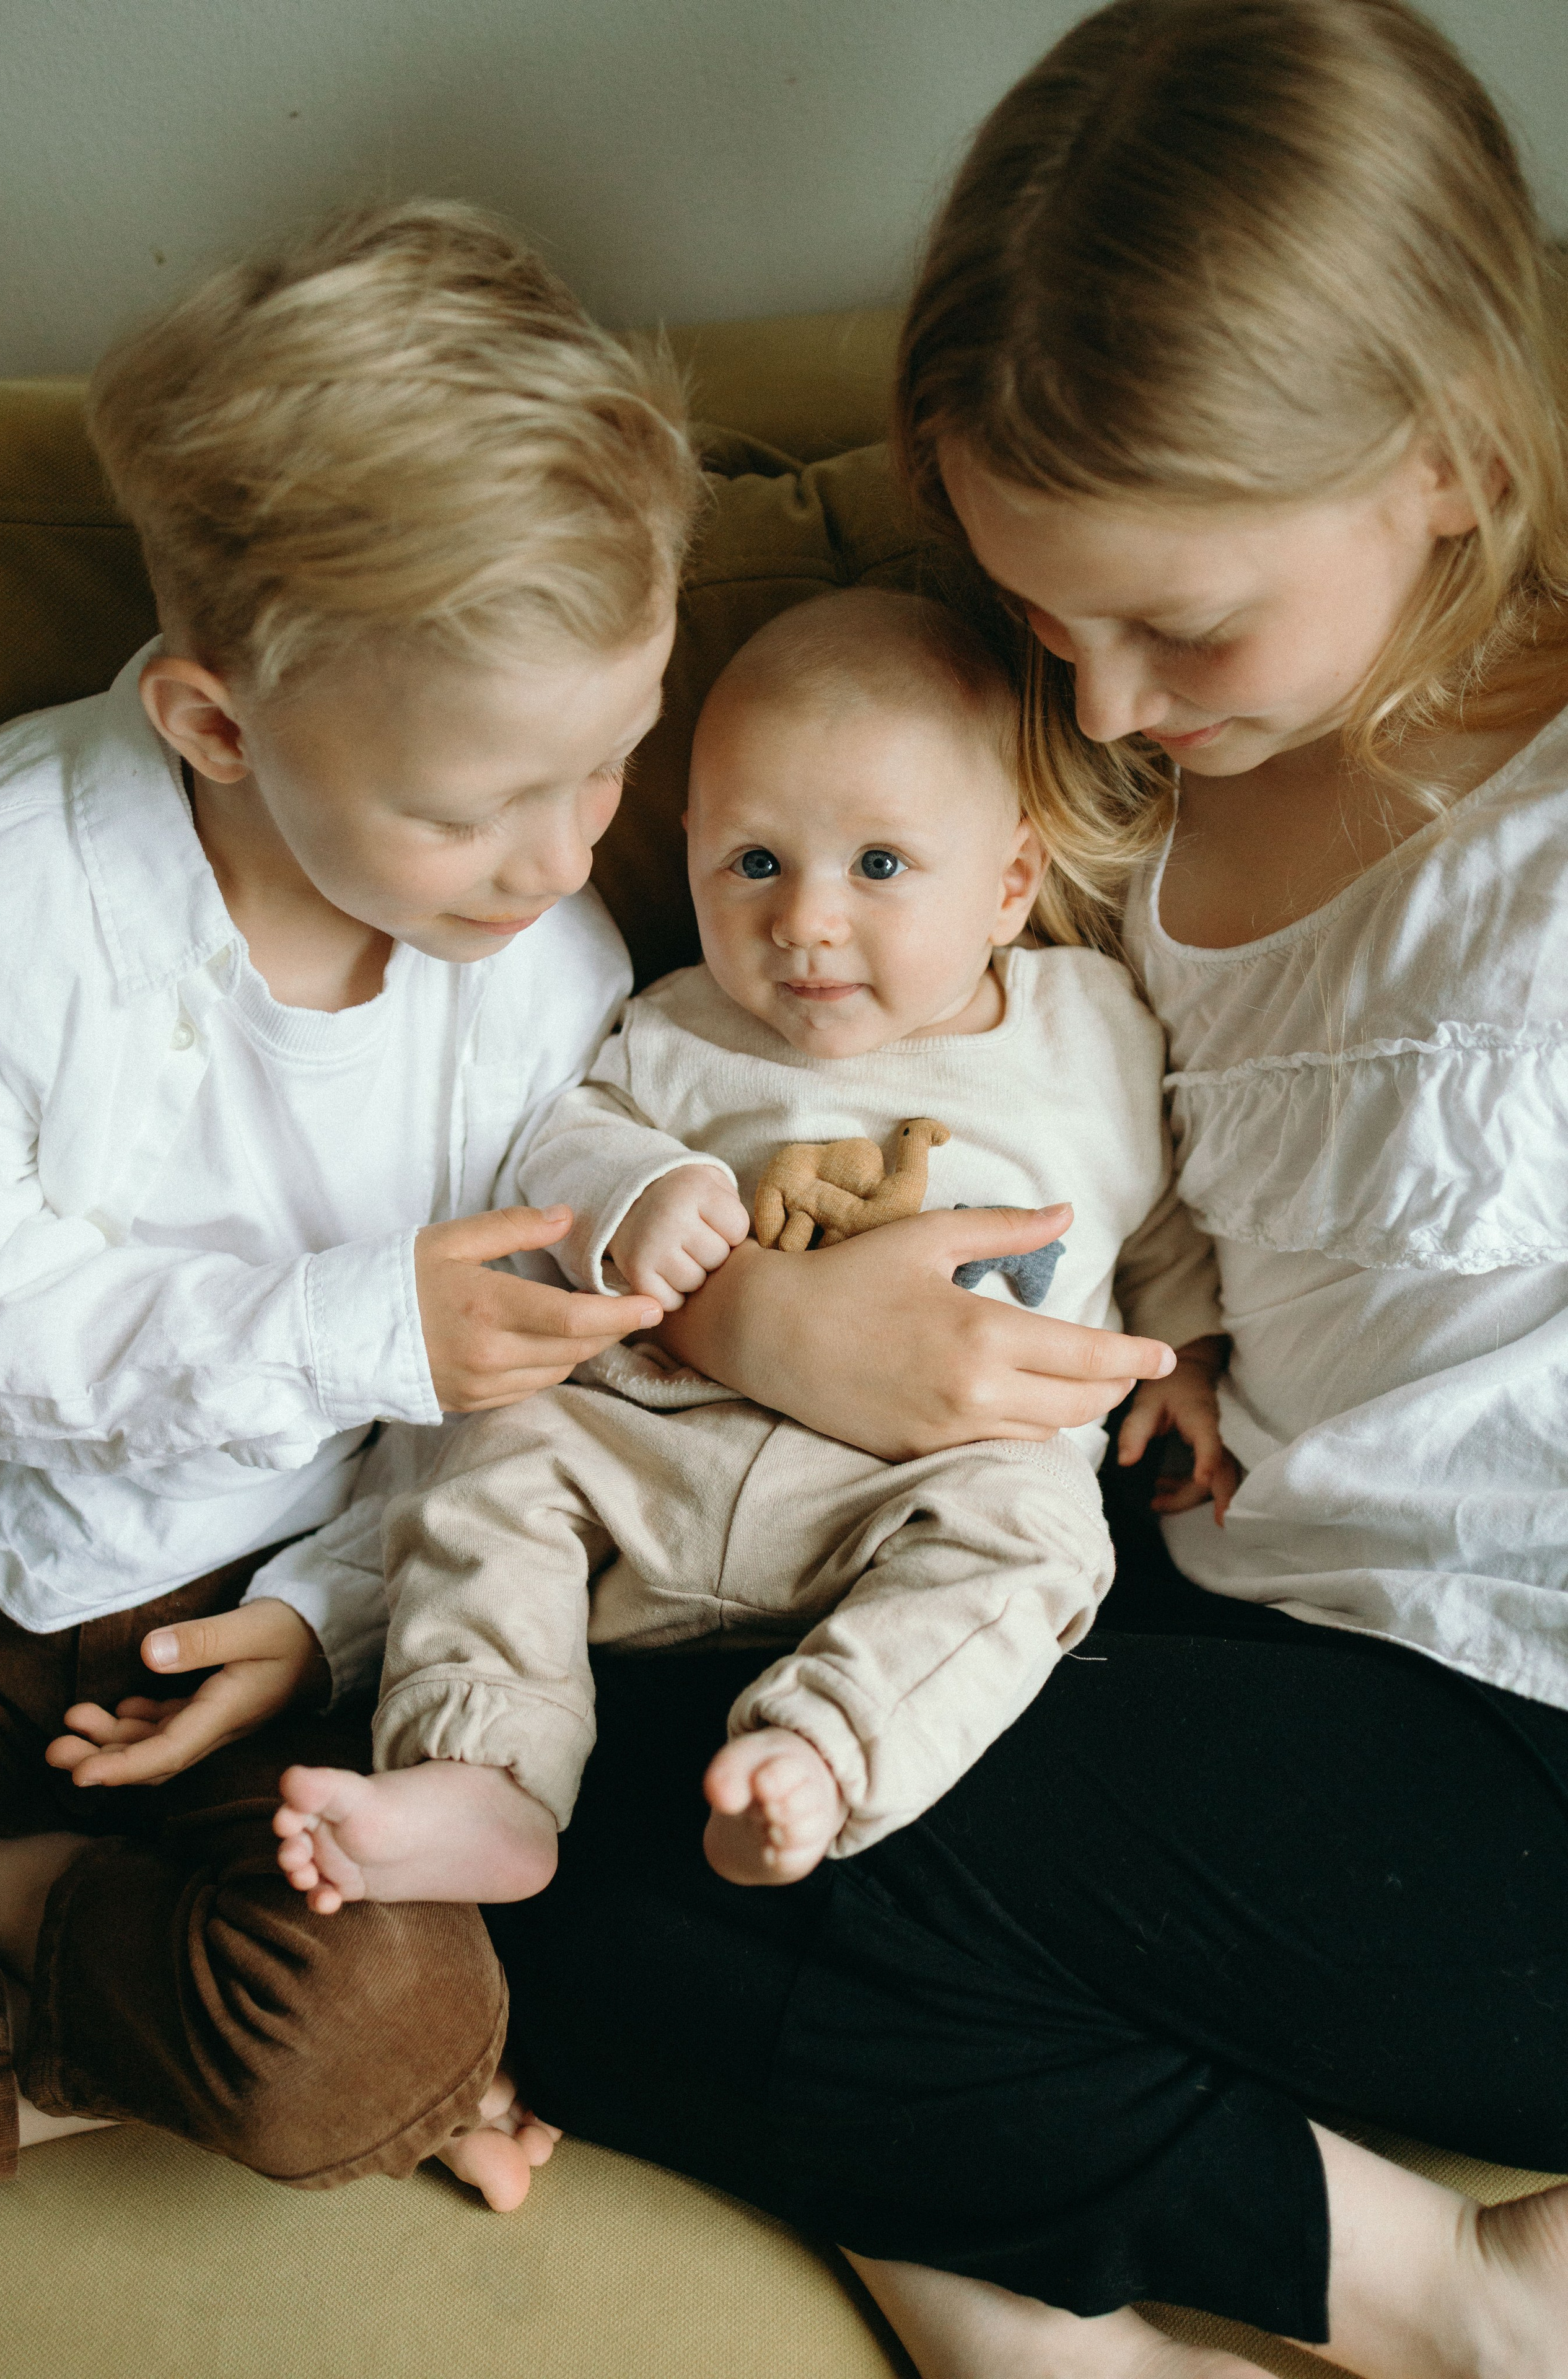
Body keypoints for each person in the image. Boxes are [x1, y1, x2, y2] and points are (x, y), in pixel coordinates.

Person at [470, 4, 1568, 2374]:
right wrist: (746, 1323)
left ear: (1459, 465)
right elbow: (904, 1109)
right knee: (518, 1786)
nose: (1117, 692)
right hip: (1242, 1626)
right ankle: (1005, 2242)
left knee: (677, 1845)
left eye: (1180, 622)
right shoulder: (1102, 799)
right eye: (1052, 622)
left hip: (1523, 1739)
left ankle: (1446, 2301)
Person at [0, 196, 701, 2201]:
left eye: (608, 771)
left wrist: (318, 1618)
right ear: (216, 722)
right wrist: (360, 1316)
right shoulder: (16, 899)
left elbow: (488, 1438)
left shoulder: (542, 971)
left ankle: (31, 1913)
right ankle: (64, 2024)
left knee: (374, 2036)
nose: (560, 861)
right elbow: (6, 1327)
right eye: (474, 809)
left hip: (263, 1639)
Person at [268, 586, 1230, 1912]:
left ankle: (825, 1755)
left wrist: (1190, 1355)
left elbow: (1162, 1210)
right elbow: (564, 1138)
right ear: (690, 855)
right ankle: (487, 1771)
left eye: (878, 866)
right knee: (481, 1447)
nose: (805, 923)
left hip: (911, 1484)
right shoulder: (671, 1026)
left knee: (1045, 1539)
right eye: (755, 862)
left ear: (1011, 881)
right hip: (650, 1446)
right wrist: (639, 1192)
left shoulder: (1092, 1033)